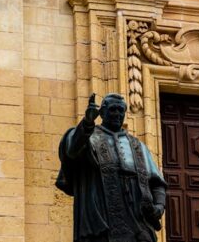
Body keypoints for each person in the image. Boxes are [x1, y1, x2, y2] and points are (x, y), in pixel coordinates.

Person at [56, 93, 167, 242]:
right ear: (101, 112)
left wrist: (159, 206)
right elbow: (71, 149)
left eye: (121, 110)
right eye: (113, 109)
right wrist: (87, 122)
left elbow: (157, 183)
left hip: (138, 215)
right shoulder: (90, 136)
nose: (117, 114)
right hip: (102, 212)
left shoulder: (138, 146)